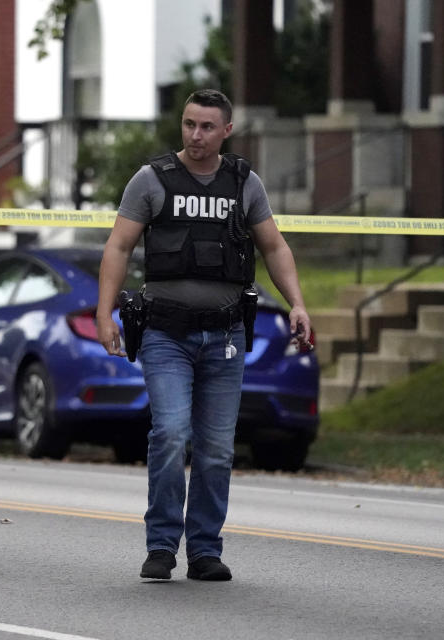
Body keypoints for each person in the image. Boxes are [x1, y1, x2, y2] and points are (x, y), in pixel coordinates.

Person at [95, 89, 313, 581]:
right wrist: (104, 312)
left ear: (226, 131)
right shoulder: (151, 180)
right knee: (170, 433)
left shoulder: (244, 182)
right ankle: (161, 546)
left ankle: (205, 551)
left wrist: (298, 302)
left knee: (216, 448)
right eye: (189, 124)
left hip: (226, 336)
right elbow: (118, 246)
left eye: (207, 127)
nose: (196, 135)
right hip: (165, 335)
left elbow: (274, 247)